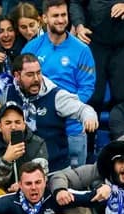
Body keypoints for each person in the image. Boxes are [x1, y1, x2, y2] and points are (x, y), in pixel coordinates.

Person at [0, 53, 98, 172]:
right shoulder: (7, 91)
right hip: (20, 172)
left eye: (38, 73)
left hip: (55, 169)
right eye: (30, 75)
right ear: (17, 76)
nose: (36, 79)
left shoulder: (55, 95)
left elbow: (83, 109)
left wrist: (89, 118)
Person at [21, 0, 95, 166]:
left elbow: (87, 87)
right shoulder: (31, 48)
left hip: (72, 130)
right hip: (39, 131)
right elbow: (20, 83)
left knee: (75, 179)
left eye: (64, 15)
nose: (61, 20)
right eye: (55, 16)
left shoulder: (82, 50)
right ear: (44, 18)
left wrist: (63, 108)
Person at [69, 0, 124, 112]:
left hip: (123, 44)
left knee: (121, 96)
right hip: (94, 42)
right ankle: (90, 123)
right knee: (93, 96)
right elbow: (76, 3)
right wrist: (79, 25)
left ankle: (119, 123)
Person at [0, 102, 48, 190]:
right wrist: (6, 160)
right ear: (0, 127)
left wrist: (22, 186)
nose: (13, 127)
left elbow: (41, 176)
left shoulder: (37, 143)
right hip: (3, 195)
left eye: (18, 122)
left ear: (24, 125)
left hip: (30, 192)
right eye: (8, 123)